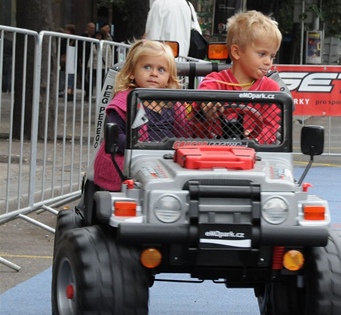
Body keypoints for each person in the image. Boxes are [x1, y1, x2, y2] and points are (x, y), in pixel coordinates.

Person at [92, 40, 183, 192]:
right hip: (131, 163)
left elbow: (185, 133)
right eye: (147, 67)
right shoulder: (124, 101)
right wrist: (139, 147)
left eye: (161, 70)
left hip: (166, 160)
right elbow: (115, 135)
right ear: (132, 72)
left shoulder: (174, 105)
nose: (154, 73)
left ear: (169, 78)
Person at [196, 10, 283, 144]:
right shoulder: (215, 81)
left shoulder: (271, 89)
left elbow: (270, 127)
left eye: (272, 56)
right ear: (236, 52)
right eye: (262, 54)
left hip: (255, 156)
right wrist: (206, 105)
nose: (268, 61)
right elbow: (204, 95)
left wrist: (252, 141)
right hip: (213, 151)